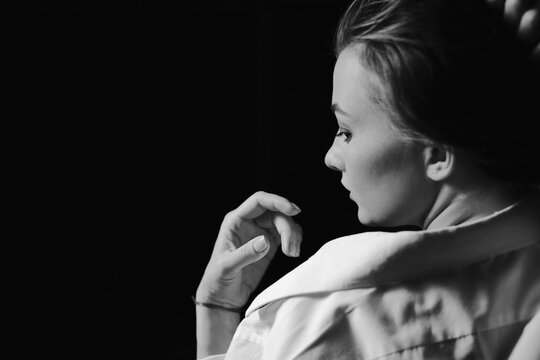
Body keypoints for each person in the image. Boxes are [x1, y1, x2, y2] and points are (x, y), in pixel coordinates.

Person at [194, 0, 540, 359]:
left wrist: (216, 308)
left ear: (437, 155)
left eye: (345, 131)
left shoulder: (321, 327)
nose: (330, 158)